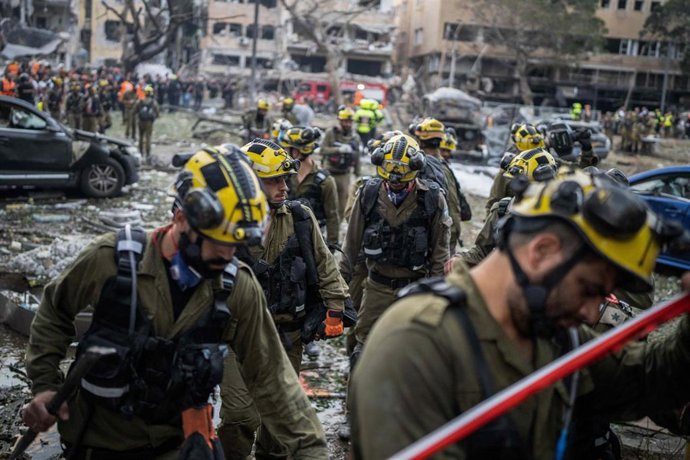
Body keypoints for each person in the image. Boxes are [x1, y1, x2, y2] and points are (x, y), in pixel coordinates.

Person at [350, 167, 690, 459]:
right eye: (588, 289)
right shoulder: (418, 344)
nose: (591, 313)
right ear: (542, 251)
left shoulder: (556, 335)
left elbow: (651, 379)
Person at [22, 148, 327, 459]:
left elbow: (272, 378)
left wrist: (312, 450)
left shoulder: (237, 287)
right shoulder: (110, 261)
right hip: (100, 443)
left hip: (179, 443)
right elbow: (54, 312)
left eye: (236, 245)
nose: (228, 256)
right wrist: (45, 384)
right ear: (181, 219)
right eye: (218, 242)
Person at [219, 139, 348, 457]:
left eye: (284, 178)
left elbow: (324, 264)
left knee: (278, 426)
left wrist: (336, 307)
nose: (283, 186)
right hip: (235, 338)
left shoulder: (299, 218)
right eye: (273, 180)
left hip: (285, 335)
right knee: (239, 416)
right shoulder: (225, 221)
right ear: (249, 182)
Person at [413, 118, 470, 251]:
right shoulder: (441, 167)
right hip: (443, 232)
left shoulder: (426, 167)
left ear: (420, 140)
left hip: (438, 235)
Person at [281, 126, 341, 248]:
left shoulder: (325, 181)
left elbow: (332, 216)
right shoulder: (283, 176)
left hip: (314, 241)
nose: (285, 151)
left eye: (288, 148)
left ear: (297, 151)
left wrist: (331, 246)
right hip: (284, 238)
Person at [320, 106, 361, 221]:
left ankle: (338, 225)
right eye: (345, 121)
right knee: (327, 200)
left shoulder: (355, 137)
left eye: (349, 122)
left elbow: (357, 156)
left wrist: (358, 174)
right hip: (329, 172)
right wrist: (338, 150)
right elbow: (322, 150)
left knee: (343, 203)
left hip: (345, 174)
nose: (347, 124)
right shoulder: (331, 133)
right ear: (340, 121)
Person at [135, 85, 160, 162]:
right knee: (148, 138)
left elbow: (135, 110)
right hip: (149, 122)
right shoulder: (153, 102)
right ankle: (148, 153)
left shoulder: (140, 101)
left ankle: (140, 152)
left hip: (141, 121)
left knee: (141, 137)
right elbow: (157, 112)